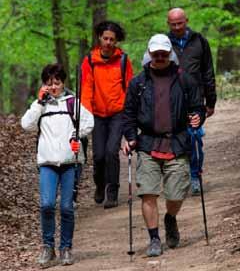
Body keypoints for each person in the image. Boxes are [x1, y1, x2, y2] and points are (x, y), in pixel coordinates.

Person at [122, 34, 205, 257]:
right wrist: (130, 136)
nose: (159, 57)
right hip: (147, 143)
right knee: (148, 192)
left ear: (170, 55)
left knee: (176, 195)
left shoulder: (185, 80)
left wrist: (197, 117)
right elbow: (128, 114)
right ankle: (154, 238)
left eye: (163, 54)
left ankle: (170, 218)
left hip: (177, 142)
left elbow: (198, 107)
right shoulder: (138, 83)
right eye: (155, 54)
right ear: (149, 54)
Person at [21, 63, 94, 268]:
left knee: (66, 207)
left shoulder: (72, 102)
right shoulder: (41, 105)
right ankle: (47, 246)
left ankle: (66, 248)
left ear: (63, 83)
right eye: (49, 83)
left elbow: (89, 122)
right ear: (44, 84)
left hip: (71, 162)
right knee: (46, 205)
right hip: (47, 163)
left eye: (57, 82)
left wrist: (76, 135)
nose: (53, 87)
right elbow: (25, 124)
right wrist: (38, 102)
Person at [81, 21, 133, 208]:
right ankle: (100, 185)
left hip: (118, 113)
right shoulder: (89, 60)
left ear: (117, 41)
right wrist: (85, 113)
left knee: (112, 151)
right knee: (99, 156)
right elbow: (86, 88)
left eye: (112, 39)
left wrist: (130, 114)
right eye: (105, 38)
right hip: (96, 114)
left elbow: (130, 88)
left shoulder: (124, 60)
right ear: (99, 38)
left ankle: (112, 191)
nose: (109, 42)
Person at [167, 7, 217, 195]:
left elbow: (208, 71)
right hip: (171, 100)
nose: (178, 27)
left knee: (195, 137)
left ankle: (195, 175)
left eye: (180, 23)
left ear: (186, 20)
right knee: (176, 140)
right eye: (174, 24)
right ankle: (178, 176)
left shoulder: (199, 41)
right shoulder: (163, 44)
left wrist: (210, 101)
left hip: (195, 99)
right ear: (168, 24)